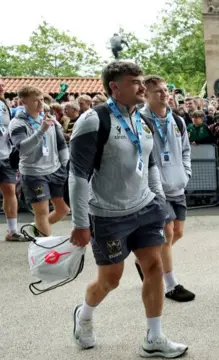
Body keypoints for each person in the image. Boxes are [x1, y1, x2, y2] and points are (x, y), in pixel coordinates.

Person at [68, 61, 187, 357]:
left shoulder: (141, 120)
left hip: (145, 208)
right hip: (108, 215)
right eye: (134, 82)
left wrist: (159, 201)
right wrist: (81, 223)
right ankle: (83, 315)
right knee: (111, 280)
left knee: (154, 267)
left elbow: (149, 165)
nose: (141, 86)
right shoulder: (94, 120)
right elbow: (77, 175)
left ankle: (155, 338)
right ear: (114, 87)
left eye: (142, 81)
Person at [139, 75, 195, 302]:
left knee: (176, 233)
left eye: (165, 90)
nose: (164, 94)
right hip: (155, 189)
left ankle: (144, 259)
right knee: (168, 233)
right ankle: (171, 285)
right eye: (158, 91)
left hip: (177, 185)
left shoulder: (177, 121)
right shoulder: (140, 120)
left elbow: (185, 150)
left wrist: (186, 173)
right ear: (146, 95)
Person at [9, 86, 69, 237]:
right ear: (24, 102)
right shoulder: (17, 123)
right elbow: (22, 148)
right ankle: (46, 248)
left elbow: (61, 142)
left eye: (42, 99)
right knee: (42, 212)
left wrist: (65, 164)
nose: (41, 103)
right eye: (35, 101)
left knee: (63, 210)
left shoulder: (48, 117)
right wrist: (41, 130)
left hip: (55, 169)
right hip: (33, 173)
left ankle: (35, 229)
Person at [0, 80, 24, 241]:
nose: (2, 88)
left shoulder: (4, 105)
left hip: (5, 155)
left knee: (10, 191)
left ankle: (12, 230)